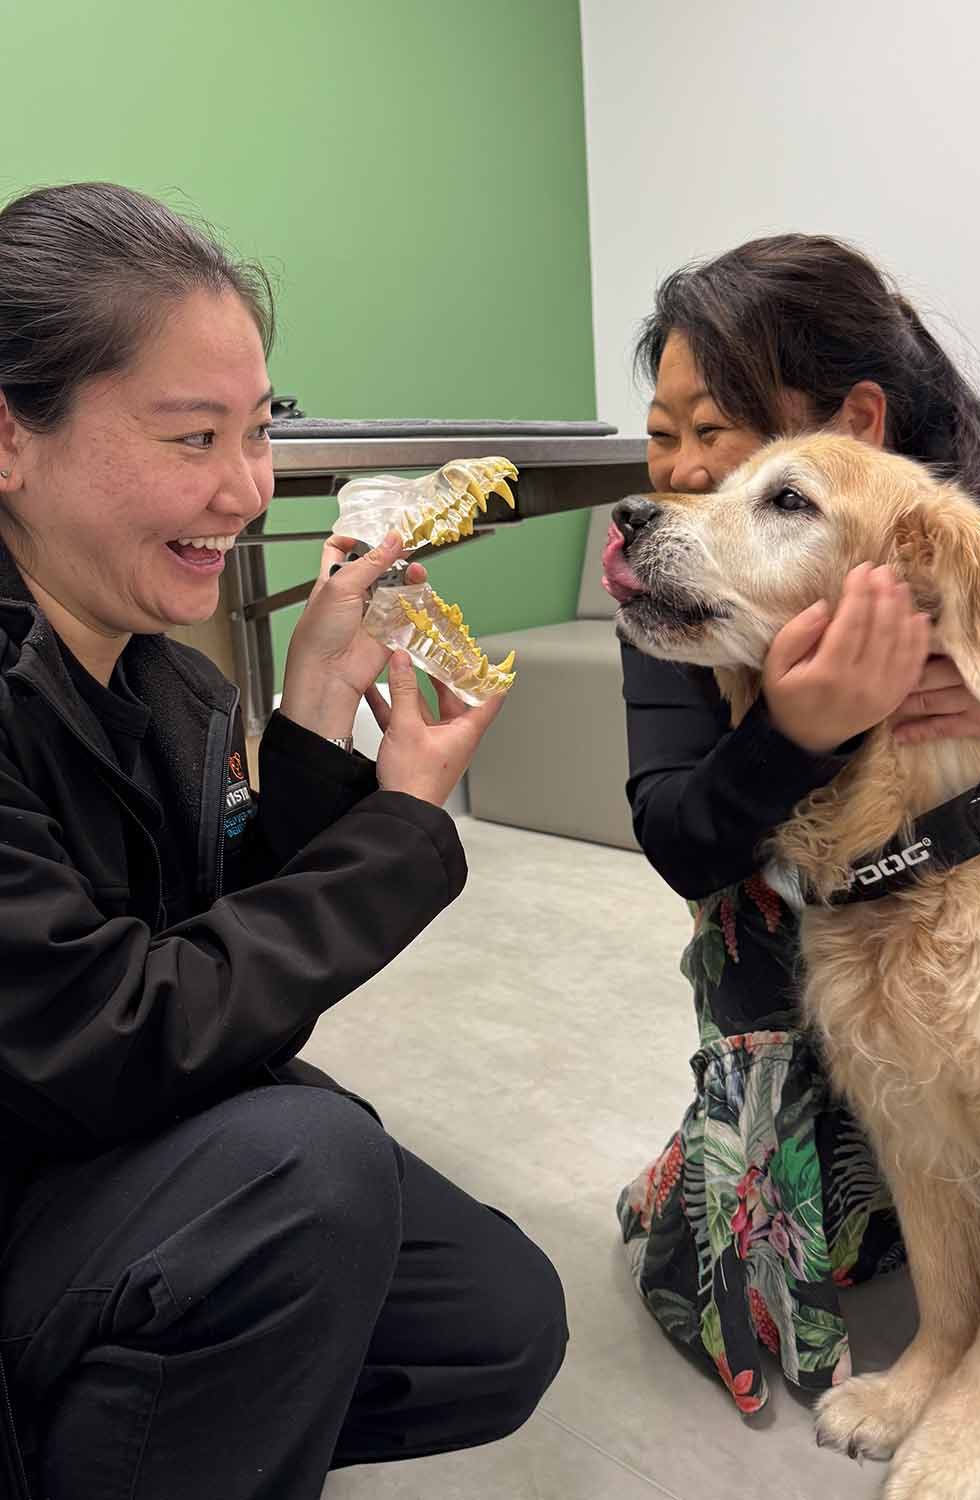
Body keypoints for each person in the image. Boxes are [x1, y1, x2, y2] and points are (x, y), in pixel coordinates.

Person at [0, 182, 567, 1500]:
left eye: (260, 430)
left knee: (492, 1323)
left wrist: (309, 728)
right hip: (34, 1166)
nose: (247, 489)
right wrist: (402, 835)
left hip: (88, 1138)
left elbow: (203, 956)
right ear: (12, 439)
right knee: (306, 1176)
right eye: (193, 436)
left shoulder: (162, 679)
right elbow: (116, 1034)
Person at [615, 233, 980, 1415]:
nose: (677, 472)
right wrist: (795, 734)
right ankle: (774, 1116)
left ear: (858, 423)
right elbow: (677, 832)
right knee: (827, 1219)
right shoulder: (686, 557)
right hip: (810, 912)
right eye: (662, 430)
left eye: (717, 428)